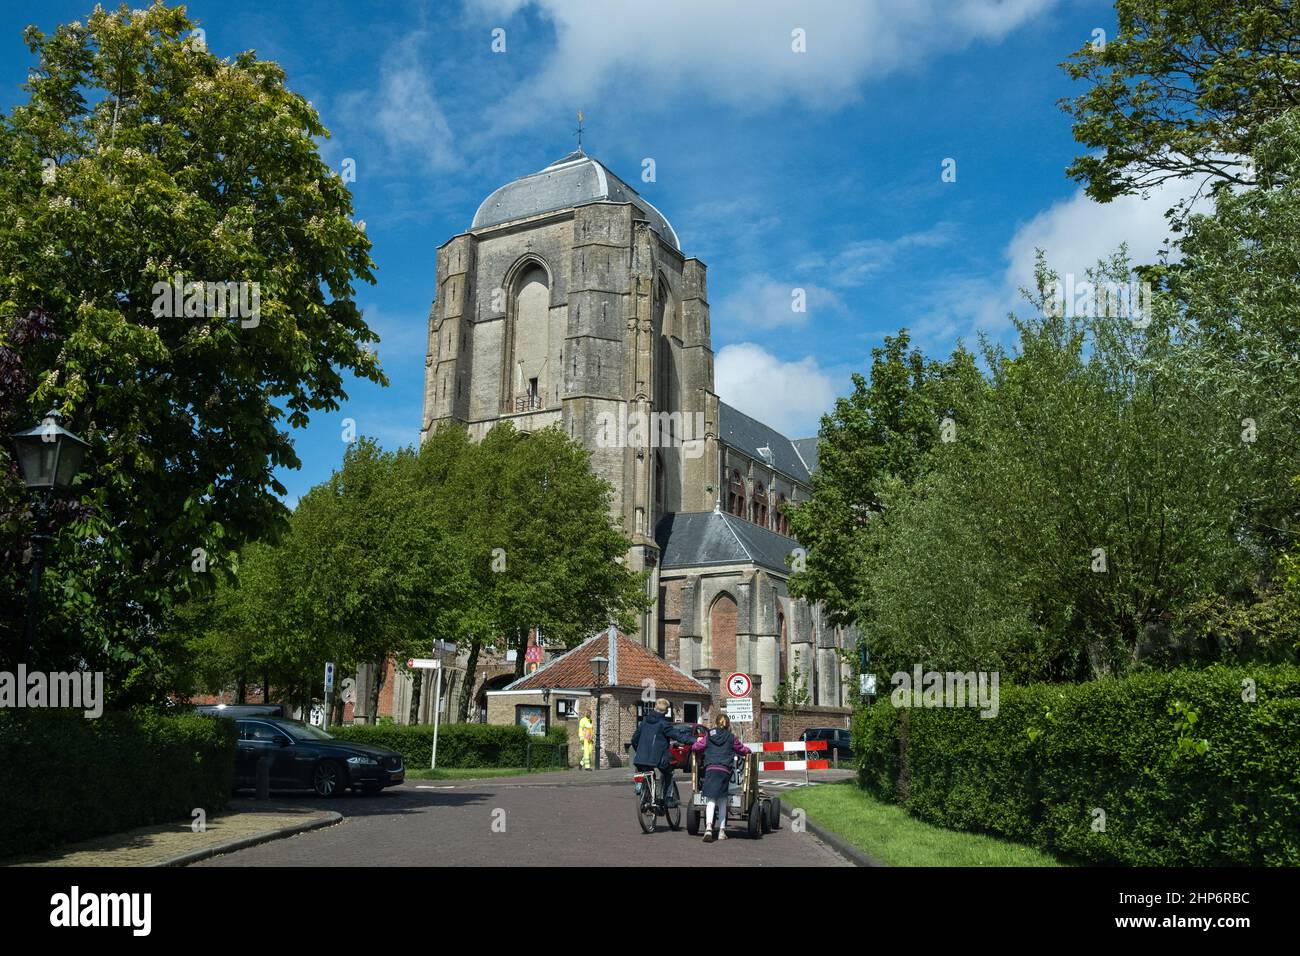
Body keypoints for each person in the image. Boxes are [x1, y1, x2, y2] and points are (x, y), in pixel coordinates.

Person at [691, 713, 751, 842]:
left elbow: (697, 747)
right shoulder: (731, 737)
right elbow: (742, 749)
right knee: (722, 800)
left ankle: (708, 829)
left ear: (716, 723)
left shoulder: (709, 735)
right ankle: (722, 831)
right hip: (724, 770)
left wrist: (695, 745)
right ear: (728, 724)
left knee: (711, 800)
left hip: (710, 769)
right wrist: (749, 751)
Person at [630, 698, 679, 807]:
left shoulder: (644, 722)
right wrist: (694, 740)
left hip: (640, 758)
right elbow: (678, 735)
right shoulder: (664, 723)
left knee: (648, 775)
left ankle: (646, 796)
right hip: (657, 759)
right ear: (666, 711)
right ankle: (667, 799)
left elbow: (634, 739)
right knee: (668, 773)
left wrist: (640, 751)